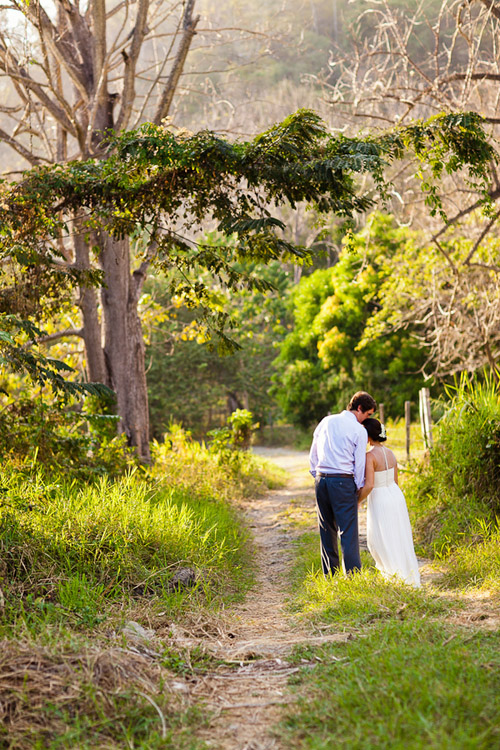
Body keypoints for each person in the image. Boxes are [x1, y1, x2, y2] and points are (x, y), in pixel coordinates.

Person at [309, 391, 376, 576]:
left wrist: (317, 475)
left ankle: (330, 575)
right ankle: (353, 576)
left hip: (322, 478)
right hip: (343, 480)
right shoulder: (358, 430)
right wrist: (357, 488)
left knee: (326, 529)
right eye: (368, 414)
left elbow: (313, 453)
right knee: (348, 531)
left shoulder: (326, 421)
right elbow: (359, 464)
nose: (366, 419)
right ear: (360, 408)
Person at [358, 418, 421, 587]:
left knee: (380, 538)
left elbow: (370, 485)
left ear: (368, 436)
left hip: (380, 497)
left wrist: (357, 500)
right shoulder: (391, 453)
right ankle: (403, 574)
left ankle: (394, 576)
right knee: (398, 535)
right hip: (395, 495)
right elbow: (395, 481)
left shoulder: (369, 456)